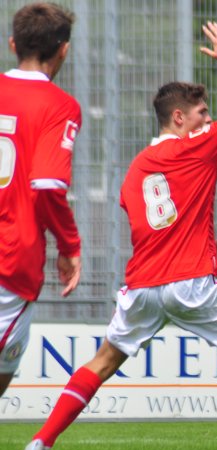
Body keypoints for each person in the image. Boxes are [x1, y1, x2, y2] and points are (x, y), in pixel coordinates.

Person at [24, 22, 217, 450]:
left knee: (103, 362)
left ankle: (41, 441)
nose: (209, 121)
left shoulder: (137, 169)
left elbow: (159, 230)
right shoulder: (197, 148)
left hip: (141, 289)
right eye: (202, 114)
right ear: (179, 118)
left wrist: (215, 243)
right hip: (189, 283)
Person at [0, 3, 82, 398]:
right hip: (10, 257)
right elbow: (48, 184)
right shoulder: (59, 106)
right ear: (63, 49)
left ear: (14, 43)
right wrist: (70, 247)